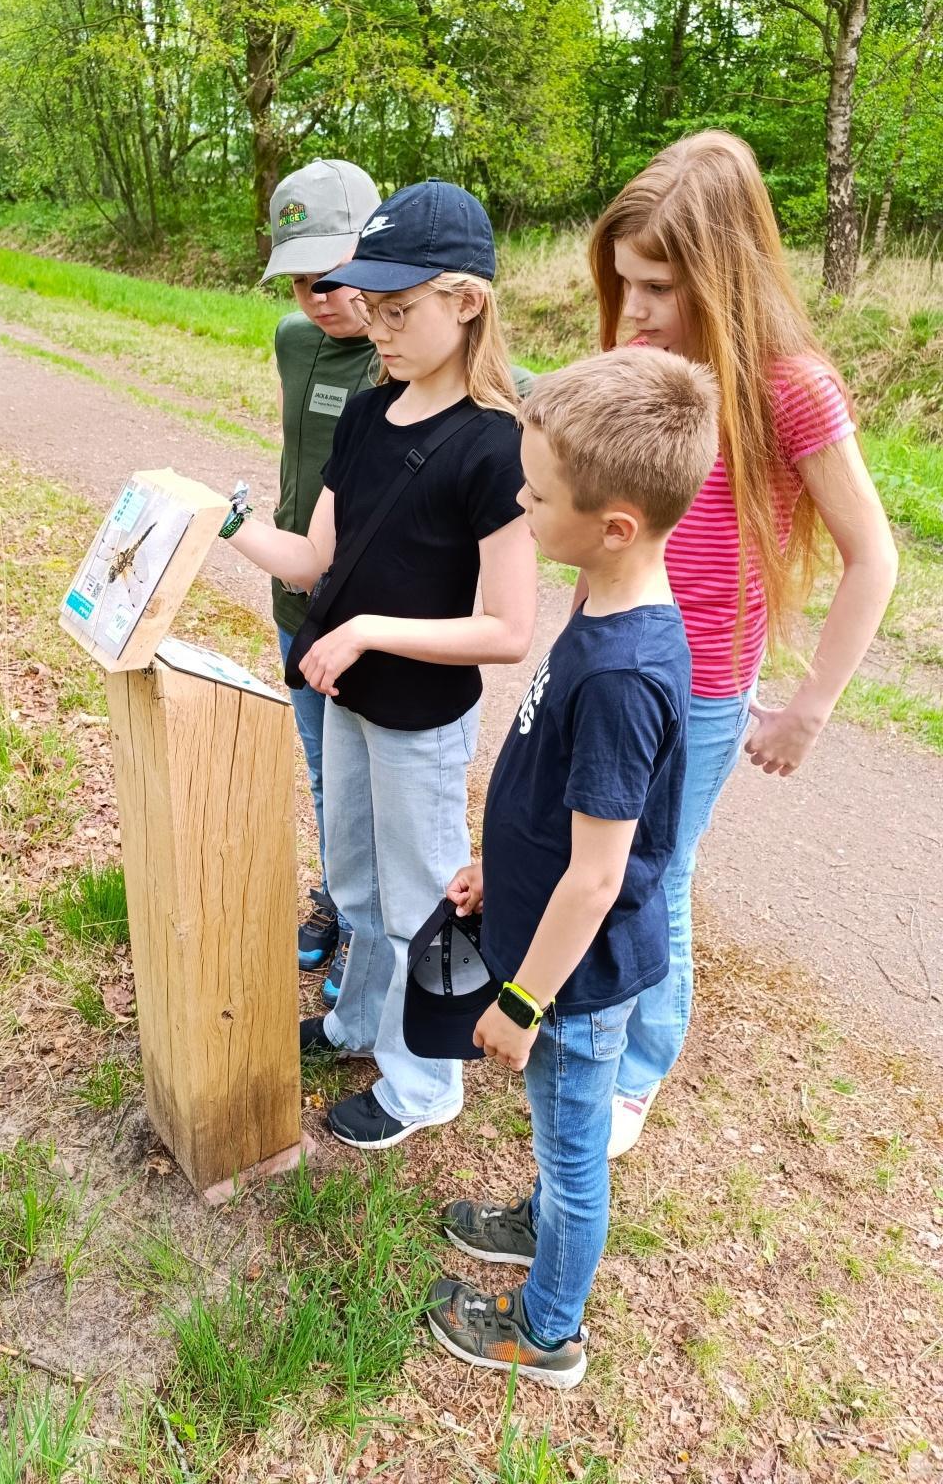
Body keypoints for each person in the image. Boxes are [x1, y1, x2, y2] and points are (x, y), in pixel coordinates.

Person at [589, 131, 898, 1157]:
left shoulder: (791, 386)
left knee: (658, 874)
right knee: (598, 853)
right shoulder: (639, 358)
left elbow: (874, 558)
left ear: (721, 278)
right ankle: (589, 1005)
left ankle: (641, 1064)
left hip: (705, 691)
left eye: (659, 288)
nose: (632, 311)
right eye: (623, 282)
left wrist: (809, 710)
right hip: (612, 661)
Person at [425, 345, 720, 1387]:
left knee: (574, 1144)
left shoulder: (625, 675)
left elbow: (598, 876)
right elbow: (549, 784)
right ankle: (541, 1218)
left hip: (575, 981)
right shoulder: (602, 594)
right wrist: (495, 866)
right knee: (560, 1130)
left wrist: (519, 997)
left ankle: (548, 1327)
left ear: (615, 524)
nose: (518, 499)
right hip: (549, 943)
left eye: (538, 493)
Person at [220, 178, 536, 1147]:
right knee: (354, 878)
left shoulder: (494, 447)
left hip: (418, 715)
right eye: (374, 307)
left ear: (467, 303)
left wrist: (367, 632)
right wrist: (223, 524)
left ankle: (423, 1079)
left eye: (399, 311)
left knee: (415, 896)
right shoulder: (366, 414)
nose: (377, 327)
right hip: (347, 697)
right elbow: (317, 556)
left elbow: (508, 628)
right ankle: (360, 1022)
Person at [261, 159, 382, 1002]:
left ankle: (372, 940)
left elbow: (520, 395)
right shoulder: (293, 341)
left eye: (336, 278)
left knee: (370, 789)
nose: (320, 298)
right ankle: (337, 900)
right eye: (302, 280)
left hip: (371, 620)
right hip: (294, 603)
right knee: (320, 772)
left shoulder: (414, 351)